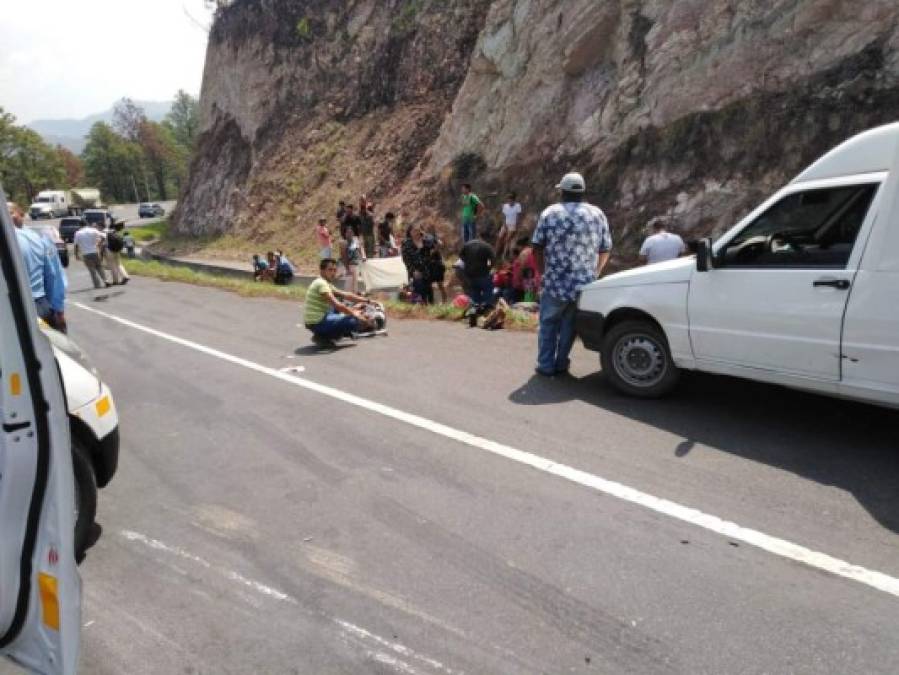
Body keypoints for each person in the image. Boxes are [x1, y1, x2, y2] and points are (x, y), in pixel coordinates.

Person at [532, 172, 612, 376]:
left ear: (562, 192)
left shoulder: (550, 213)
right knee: (569, 325)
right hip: (583, 283)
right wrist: (596, 272)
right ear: (582, 192)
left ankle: (545, 364)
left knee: (548, 323)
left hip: (555, 282)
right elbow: (605, 248)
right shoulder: (597, 214)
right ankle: (561, 363)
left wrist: (542, 273)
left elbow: (537, 247)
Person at [9, 202, 67, 332]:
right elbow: (53, 276)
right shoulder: (38, 238)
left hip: (19, 307)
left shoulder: (37, 238)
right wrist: (58, 309)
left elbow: (53, 275)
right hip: (39, 305)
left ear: (22, 215)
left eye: (11, 213)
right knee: (51, 348)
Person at [304, 258, 374, 346]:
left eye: (334, 270)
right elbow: (337, 305)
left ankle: (325, 334)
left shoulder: (324, 283)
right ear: (322, 271)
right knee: (352, 321)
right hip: (317, 322)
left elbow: (346, 295)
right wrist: (356, 315)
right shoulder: (321, 284)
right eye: (330, 270)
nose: (333, 273)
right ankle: (324, 336)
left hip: (316, 320)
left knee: (344, 306)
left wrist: (367, 301)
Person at [458, 232, 495, 309]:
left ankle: (475, 311)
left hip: (470, 275)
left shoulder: (467, 245)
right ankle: (486, 309)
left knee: (474, 295)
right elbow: (493, 260)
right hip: (483, 274)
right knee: (487, 292)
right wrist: (489, 268)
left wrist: (468, 264)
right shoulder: (487, 247)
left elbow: (461, 256)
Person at [401, 225, 432, 303]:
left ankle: (427, 306)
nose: (416, 233)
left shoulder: (425, 242)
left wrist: (424, 236)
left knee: (427, 291)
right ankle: (416, 307)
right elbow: (406, 259)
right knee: (416, 291)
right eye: (414, 231)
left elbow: (431, 249)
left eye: (418, 230)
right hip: (414, 271)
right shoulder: (406, 243)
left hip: (426, 269)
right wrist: (413, 270)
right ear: (410, 232)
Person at [74, 220, 110, 289]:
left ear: (80, 225)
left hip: (86, 254)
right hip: (95, 251)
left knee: (92, 270)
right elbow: (104, 236)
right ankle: (106, 280)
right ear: (87, 224)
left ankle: (97, 285)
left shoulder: (78, 233)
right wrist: (99, 244)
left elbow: (76, 245)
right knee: (99, 267)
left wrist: (76, 255)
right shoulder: (93, 230)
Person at [497, 192, 523, 260]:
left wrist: (516, 226)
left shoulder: (517, 206)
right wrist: (504, 224)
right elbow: (504, 216)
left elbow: (518, 217)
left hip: (513, 225)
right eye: (508, 200)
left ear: (514, 200)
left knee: (508, 239)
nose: (509, 201)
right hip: (506, 224)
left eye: (511, 200)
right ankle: (497, 252)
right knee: (500, 237)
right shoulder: (505, 206)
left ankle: (504, 255)